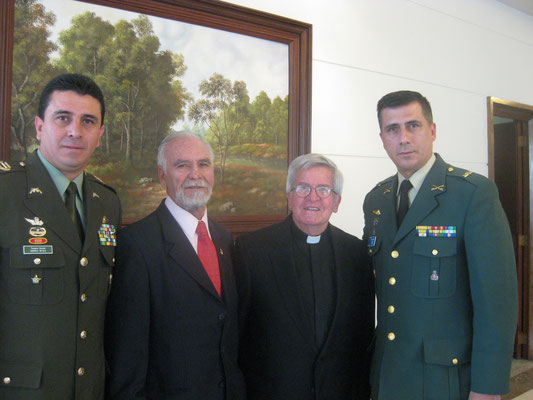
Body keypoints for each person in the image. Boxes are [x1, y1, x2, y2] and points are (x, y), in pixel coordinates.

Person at [363, 90, 518, 400]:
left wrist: (487, 388)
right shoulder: (376, 200)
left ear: (432, 130)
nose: (403, 137)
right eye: (392, 129)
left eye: (413, 125)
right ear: (382, 138)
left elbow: (496, 304)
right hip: (388, 377)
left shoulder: (472, 194)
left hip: (444, 381)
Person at [0, 73, 121, 399]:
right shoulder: (5, 191)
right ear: (40, 126)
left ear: (100, 134)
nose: (75, 131)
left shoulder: (107, 201)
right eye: (63, 118)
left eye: (88, 121)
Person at [105, 131, 246, 400]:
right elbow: (127, 360)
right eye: (182, 165)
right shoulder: (137, 245)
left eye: (204, 164)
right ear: (162, 176)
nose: (196, 174)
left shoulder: (225, 240)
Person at [234, 153, 375, 400]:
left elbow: (363, 338)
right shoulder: (251, 251)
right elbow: (236, 337)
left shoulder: (357, 254)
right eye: (302, 188)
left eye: (323, 189)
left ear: (337, 201)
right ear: (289, 197)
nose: (313, 197)